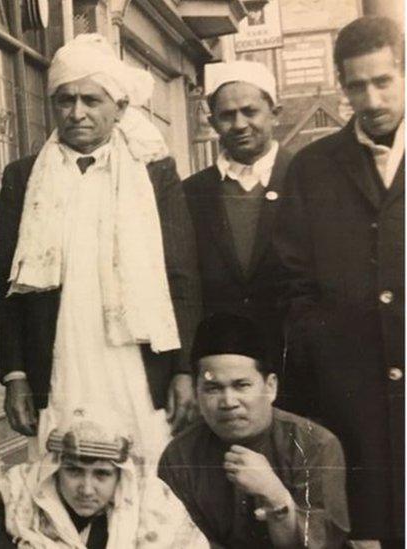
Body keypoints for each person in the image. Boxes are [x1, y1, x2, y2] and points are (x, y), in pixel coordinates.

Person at [0, 33, 201, 470]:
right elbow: (6, 286)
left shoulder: (153, 174)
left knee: (142, 469)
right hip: (59, 356)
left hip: (134, 359)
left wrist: (184, 368)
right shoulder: (22, 178)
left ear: (120, 107)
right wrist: (15, 376)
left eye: (92, 100)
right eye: (65, 100)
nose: (77, 113)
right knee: (63, 473)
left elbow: (181, 275)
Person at [273, 15, 404, 547]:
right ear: (340, 85)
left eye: (383, 81)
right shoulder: (312, 168)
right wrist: (326, 355)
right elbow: (293, 279)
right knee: (364, 528)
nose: (370, 99)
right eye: (356, 85)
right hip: (351, 396)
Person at [158, 313, 349, 548]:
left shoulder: (315, 443)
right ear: (196, 393)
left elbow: (324, 544)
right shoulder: (179, 457)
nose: (228, 402)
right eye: (213, 388)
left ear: (270, 387)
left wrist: (275, 496)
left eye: (242, 385)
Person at [183, 60, 294, 402]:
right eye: (227, 115)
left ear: (274, 112)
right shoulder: (191, 193)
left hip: (296, 362)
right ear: (212, 120)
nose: (240, 124)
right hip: (223, 373)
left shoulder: (307, 178)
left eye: (250, 111)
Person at [0, 408, 206, 549]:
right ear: (55, 471)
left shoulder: (154, 507)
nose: (86, 489)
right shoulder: (19, 500)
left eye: (102, 474)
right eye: (74, 472)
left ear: (120, 475)